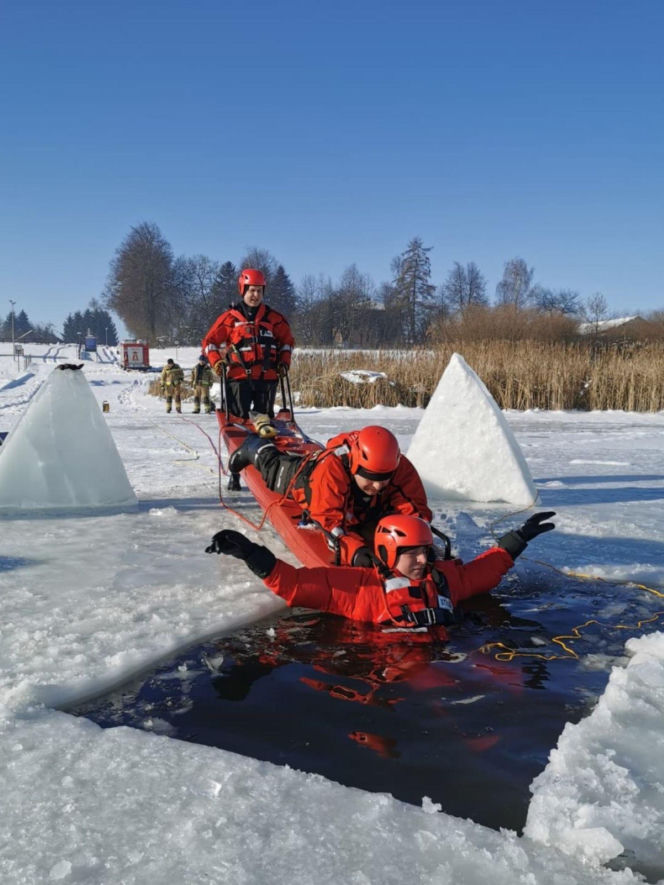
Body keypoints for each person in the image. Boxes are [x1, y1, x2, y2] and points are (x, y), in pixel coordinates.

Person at [205, 511, 556, 636]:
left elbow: (484, 571)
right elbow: (297, 586)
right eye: (411, 555)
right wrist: (250, 552)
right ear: (389, 555)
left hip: (448, 654)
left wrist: (518, 538)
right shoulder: (360, 590)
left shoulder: (444, 579)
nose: (421, 561)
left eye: (425, 552)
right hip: (394, 666)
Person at [228, 425, 432, 565]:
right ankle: (255, 447)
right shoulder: (331, 469)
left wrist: (417, 543)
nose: (378, 485)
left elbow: (415, 510)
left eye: (384, 477)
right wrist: (354, 552)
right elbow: (329, 523)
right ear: (355, 466)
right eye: (370, 477)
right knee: (275, 472)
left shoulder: (399, 467)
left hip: (362, 506)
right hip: (308, 480)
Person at [201, 268, 294, 420]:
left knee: (264, 422)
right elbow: (209, 342)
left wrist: (284, 362)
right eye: (252, 290)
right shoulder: (230, 319)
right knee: (238, 420)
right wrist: (216, 361)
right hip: (239, 378)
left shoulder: (274, 319)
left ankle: (265, 441)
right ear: (243, 290)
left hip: (266, 378)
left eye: (259, 291)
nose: (256, 295)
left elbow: (287, 343)